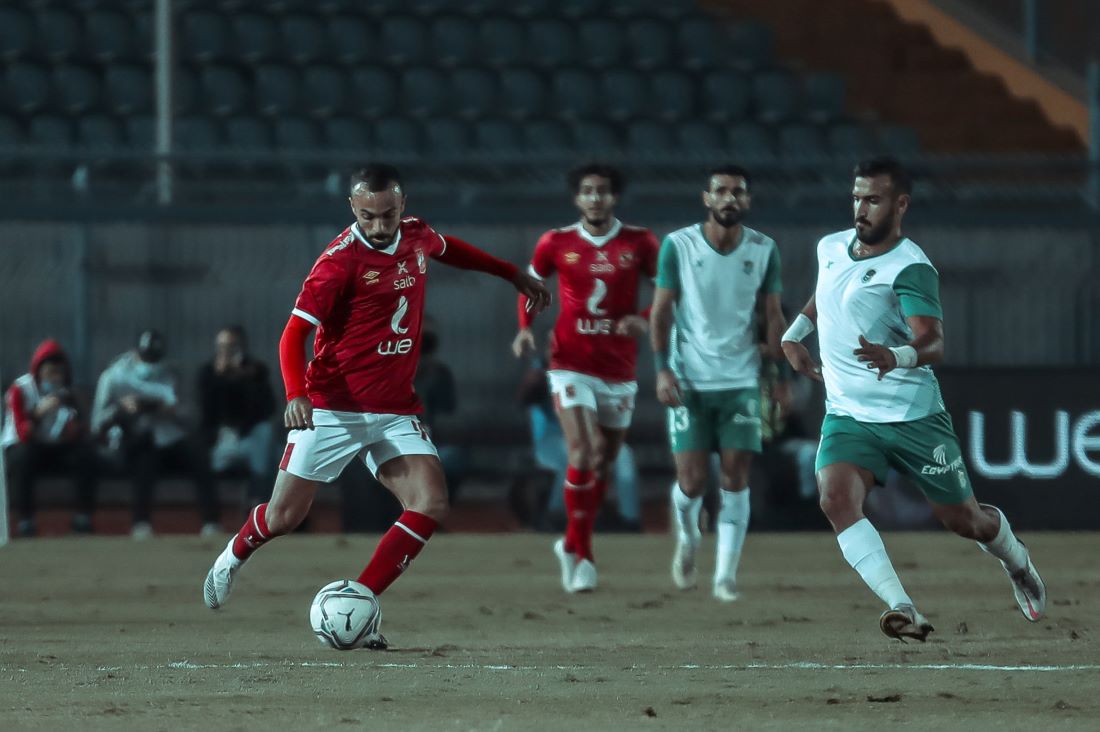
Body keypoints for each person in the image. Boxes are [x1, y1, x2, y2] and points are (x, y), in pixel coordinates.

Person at [201, 164, 550, 646]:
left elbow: (453, 249)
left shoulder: (417, 235)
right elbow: (293, 335)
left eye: (388, 214)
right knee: (284, 518)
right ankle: (232, 555)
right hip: (333, 407)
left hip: (394, 409)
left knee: (430, 502)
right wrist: (296, 394)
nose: (380, 225)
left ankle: (360, 600)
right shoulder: (338, 263)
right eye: (368, 216)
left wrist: (511, 274)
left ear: (402, 204)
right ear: (353, 208)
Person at [780, 157, 1046, 641]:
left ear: (900, 205)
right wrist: (794, 334)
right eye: (856, 197)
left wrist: (896, 356)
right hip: (848, 414)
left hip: (912, 416)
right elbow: (827, 291)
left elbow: (934, 342)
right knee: (835, 498)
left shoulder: (910, 266)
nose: (861, 209)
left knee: (965, 521)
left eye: (873, 199)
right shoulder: (830, 246)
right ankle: (902, 607)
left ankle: (1016, 559)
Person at [512, 163, 658, 593]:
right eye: (588, 191)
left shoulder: (640, 242)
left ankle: (569, 544)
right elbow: (531, 285)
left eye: (603, 191)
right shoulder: (556, 242)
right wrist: (524, 328)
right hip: (569, 362)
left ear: (615, 197)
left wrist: (645, 317)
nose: (596, 198)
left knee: (604, 463)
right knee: (584, 450)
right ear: (577, 198)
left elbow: (670, 291)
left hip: (619, 369)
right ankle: (585, 554)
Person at [650, 165, 787, 602]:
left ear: (748, 200)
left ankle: (725, 577)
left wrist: (780, 377)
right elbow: (660, 312)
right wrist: (662, 369)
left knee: (735, 477)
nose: (730, 198)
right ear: (706, 198)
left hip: (742, 379)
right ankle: (688, 536)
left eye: (738, 192)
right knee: (692, 482)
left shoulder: (764, 249)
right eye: (721, 191)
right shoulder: (679, 245)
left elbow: (773, 315)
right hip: (689, 379)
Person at [92, 330, 220, 539]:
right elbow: (97, 423)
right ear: (134, 352)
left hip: (168, 436)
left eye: (154, 358)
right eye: (146, 358)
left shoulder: (172, 374)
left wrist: (169, 410)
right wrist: (122, 409)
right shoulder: (114, 376)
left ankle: (211, 523)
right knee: (145, 458)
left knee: (198, 455)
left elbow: (192, 416)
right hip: (132, 439)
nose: (150, 363)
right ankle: (141, 523)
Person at [2, 339, 99, 536]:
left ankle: (82, 519)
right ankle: (26, 521)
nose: (54, 377)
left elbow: (77, 431)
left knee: (84, 456)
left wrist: (73, 426)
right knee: (24, 457)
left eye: (58, 372)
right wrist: (38, 413)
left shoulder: (66, 393)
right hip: (22, 446)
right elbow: (23, 433)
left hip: (53, 446)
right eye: (50, 372)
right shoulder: (20, 390)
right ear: (39, 371)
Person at [198, 326, 277, 510]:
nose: (226, 352)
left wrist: (244, 379)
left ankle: (257, 504)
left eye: (231, 347)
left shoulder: (256, 371)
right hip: (222, 438)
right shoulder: (208, 373)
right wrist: (220, 378)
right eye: (222, 347)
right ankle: (212, 519)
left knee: (268, 439)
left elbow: (268, 408)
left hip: (250, 436)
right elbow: (206, 412)